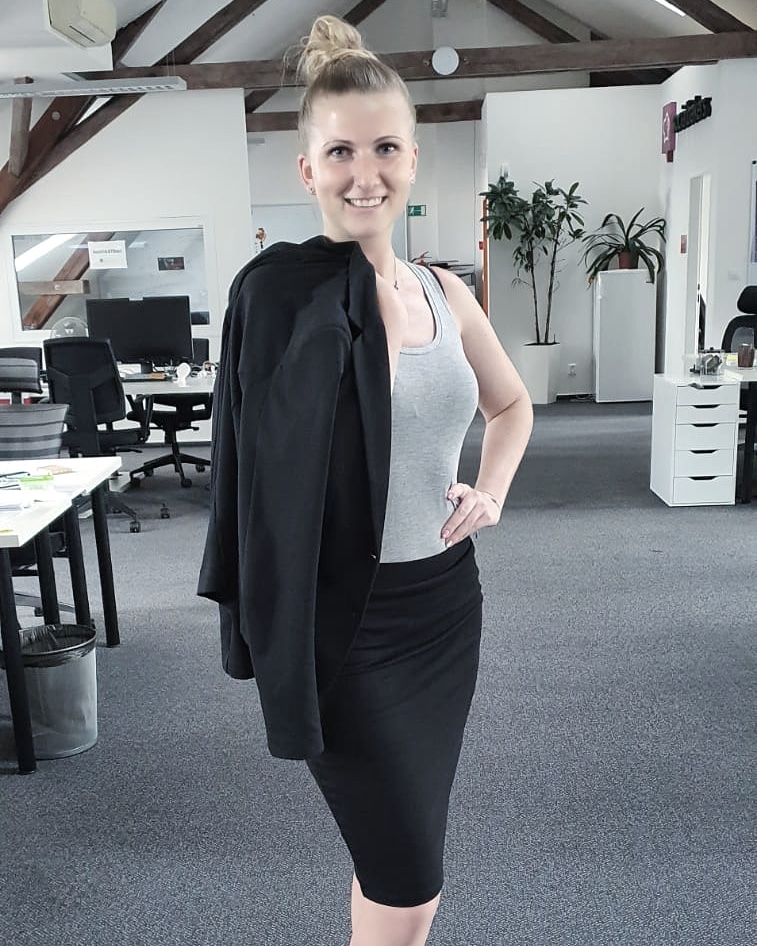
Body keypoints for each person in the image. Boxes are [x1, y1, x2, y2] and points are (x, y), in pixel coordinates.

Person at [198, 14, 533, 946]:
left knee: (394, 854)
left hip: (444, 610)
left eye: (384, 148)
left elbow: (511, 407)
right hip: (343, 626)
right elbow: (256, 471)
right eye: (339, 152)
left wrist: (491, 491)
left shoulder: (444, 291)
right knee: (408, 879)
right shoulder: (277, 298)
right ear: (306, 169)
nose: (364, 173)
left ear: (413, 159)